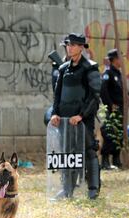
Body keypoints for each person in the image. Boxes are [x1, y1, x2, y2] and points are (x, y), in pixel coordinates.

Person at [50, 33, 101, 199]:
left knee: (89, 152)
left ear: (81, 47)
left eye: (73, 45)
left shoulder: (90, 68)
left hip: (83, 120)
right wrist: (55, 113)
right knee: (67, 153)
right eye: (67, 45)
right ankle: (67, 189)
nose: (69, 48)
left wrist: (81, 115)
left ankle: (93, 189)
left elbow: (94, 96)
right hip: (64, 120)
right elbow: (57, 96)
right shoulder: (63, 69)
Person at [100, 49, 124, 169]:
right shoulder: (108, 73)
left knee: (119, 135)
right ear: (114, 59)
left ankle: (116, 159)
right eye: (120, 57)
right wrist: (110, 105)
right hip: (112, 110)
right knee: (109, 134)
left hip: (120, 110)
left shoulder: (118, 73)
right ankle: (105, 161)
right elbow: (103, 90)